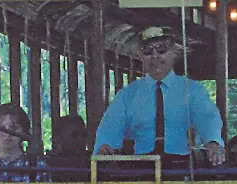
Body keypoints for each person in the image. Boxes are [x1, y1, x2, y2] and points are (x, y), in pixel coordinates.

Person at [94, 26, 225, 165]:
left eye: (162, 50)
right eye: (148, 51)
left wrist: (212, 142)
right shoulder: (127, 95)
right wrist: (105, 146)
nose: (155, 56)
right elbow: (111, 125)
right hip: (141, 166)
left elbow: (207, 118)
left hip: (182, 165)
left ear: (174, 52)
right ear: (140, 56)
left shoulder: (193, 90)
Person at [46, 111, 89, 175]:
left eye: (84, 135)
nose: (81, 140)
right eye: (74, 135)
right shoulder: (48, 164)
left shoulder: (92, 161)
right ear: (59, 138)